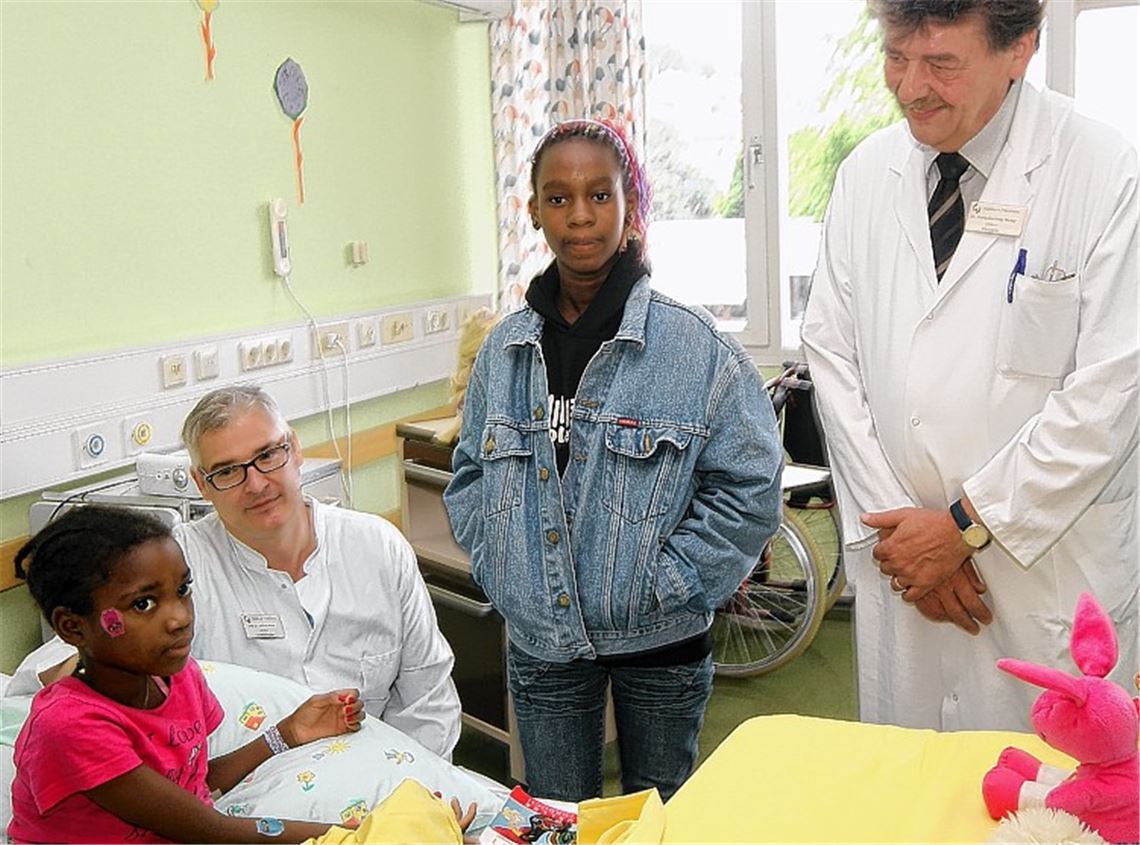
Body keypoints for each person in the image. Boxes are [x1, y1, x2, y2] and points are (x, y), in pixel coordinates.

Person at [801, 0, 1137, 732]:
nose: (911, 86)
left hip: (1040, 568)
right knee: (909, 797)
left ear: (1020, 49)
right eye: (896, 55)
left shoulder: (1105, 173)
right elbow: (829, 352)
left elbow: (1112, 392)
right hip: (906, 568)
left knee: (1053, 803)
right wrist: (903, 537)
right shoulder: (867, 174)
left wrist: (965, 526)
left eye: (941, 64)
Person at [444, 119, 783, 801]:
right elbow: (470, 476)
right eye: (559, 197)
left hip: (660, 640)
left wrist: (673, 581)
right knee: (556, 814)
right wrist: (505, 569)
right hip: (541, 639)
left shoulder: (693, 348)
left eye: (599, 195)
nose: (580, 217)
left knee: (654, 816)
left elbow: (750, 484)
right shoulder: (504, 351)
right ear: (534, 209)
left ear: (631, 205)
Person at [25, 386, 462, 759]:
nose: (255, 484)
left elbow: (427, 698)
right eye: (228, 471)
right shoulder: (175, 566)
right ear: (201, 484)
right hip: (247, 793)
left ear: (293, 449)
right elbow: (51, 669)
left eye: (267, 455)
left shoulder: (377, 546)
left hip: (381, 776)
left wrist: (416, 793)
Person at [8, 505, 365, 843]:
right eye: (143, 603)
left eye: (182, 591)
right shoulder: (70, 726)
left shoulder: (179, 679)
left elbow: (189, 788)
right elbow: (211, 831)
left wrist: (287, 733)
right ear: (72, 627)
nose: (180, 617)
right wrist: (359, 836)